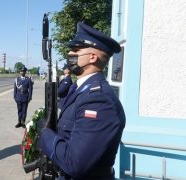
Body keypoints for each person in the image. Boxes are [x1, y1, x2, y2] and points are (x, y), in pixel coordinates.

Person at [39, 22, 126, 180]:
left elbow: (75, 163)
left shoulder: (98, 100)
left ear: (93, 57)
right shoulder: (80, 90)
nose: (70, 53)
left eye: (76, 50)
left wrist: (45, 134)